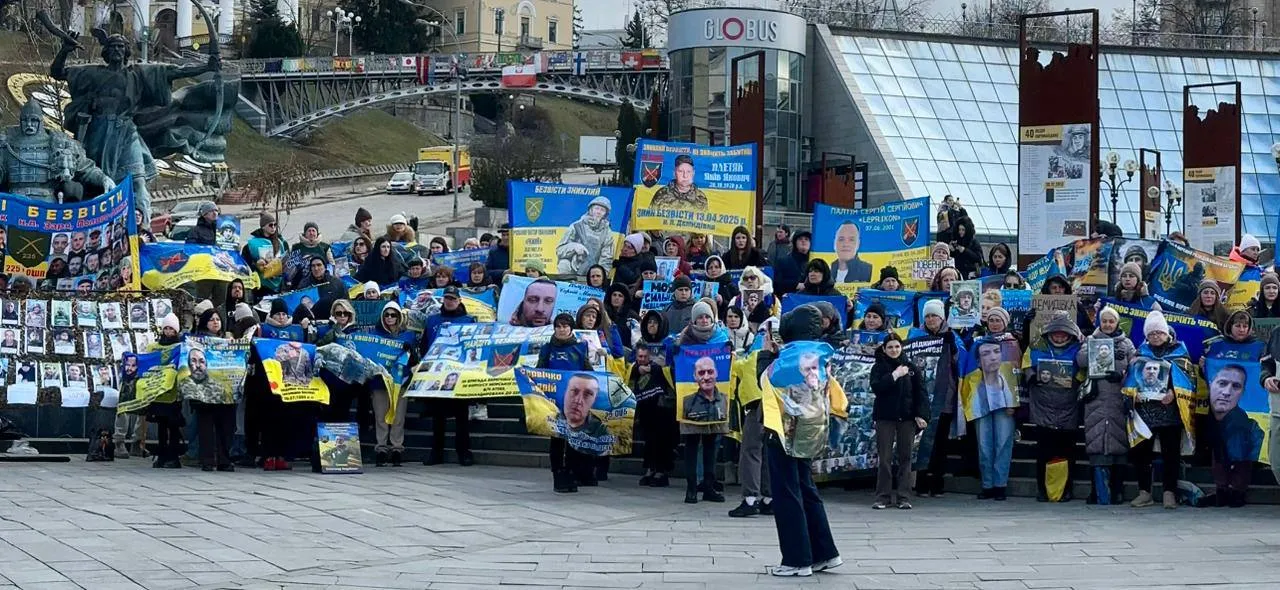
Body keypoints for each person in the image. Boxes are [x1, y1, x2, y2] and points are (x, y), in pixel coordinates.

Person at [760, 305, 843, 577]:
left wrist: (764, 353)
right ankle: (824, 553)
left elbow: (766, 380)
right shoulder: (820, 355)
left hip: (785, 433)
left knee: (787, 493)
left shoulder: (789, 358)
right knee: (807, 490)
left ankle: (796, 559)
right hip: (812, 431)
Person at [666, 301, 730, 504]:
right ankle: (691, 487)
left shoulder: (722, 338)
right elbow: (673, 365)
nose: (704, 320)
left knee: (711, 445)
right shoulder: (683, 339)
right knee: (692, 445)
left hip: (717, 400)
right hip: (691, 401)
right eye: (700, 317)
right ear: (693, 320)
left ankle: (709, 486)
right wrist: (674, 352)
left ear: (712, 319)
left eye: (707, 317)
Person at [1126, 309, 1190, 510]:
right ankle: (1144, 492)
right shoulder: (1139, 354)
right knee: (1141, 453)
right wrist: (1132, 379)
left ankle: (1169, 492)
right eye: (1151, 333)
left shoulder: (1180, 352)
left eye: (1159, 333)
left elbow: (1189, 378)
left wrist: (1174, 392)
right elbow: (1130, 380)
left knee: (1171, 454)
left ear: (1166, 333)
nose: (1156, 336)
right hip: (1144, 413)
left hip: (1170, 412)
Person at [1024, 310, 1084, 502]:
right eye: (1055, 333)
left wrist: (1076, 378)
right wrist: (1032, 376)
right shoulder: (1036, 345)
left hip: (1069, 405)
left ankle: (1067, 488)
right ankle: (1042, 489)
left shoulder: (1079, 348)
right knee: (1043, 450)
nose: (1059, 336)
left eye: (1063, 333)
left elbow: (1086, 369)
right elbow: (1025, 365)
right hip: (1044, 406)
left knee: (1068, 450)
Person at [1207, 310, 1264, 507]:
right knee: (1219, 449)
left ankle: (1238, 489)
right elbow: (1208, 372)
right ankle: (1221, 488)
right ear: (1230, 326)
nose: (1241, 329)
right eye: (1238, 325)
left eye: (1245, 326)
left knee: (1242, 448)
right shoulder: (1217, 346)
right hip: (1216, 410)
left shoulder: (1259, 347)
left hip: (1245, 409)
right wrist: (1203, 364)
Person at [869, 332, 929, 509]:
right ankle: (883, 496)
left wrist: (922, 414)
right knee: (885, 458)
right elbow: (877, 387)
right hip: (885, 417)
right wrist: (894, 376)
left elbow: (921, 392)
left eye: (896, 346)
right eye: (890, 347)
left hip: (906, 418)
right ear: (884, 349)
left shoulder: (911, 368)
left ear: (901, 347)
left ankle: (903, 496)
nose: (894, 350)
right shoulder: (879, 367)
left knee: (905, 457)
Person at [538, 313, 593, 492]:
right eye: (558, 326)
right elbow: (539, 371)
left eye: (565, 326)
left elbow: (589, 371)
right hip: (554, 402)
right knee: (557, 440)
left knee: (574, 439)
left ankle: (571, 473)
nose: (562, 329)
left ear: (571, 328)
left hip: (575, 402)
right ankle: (558, 475)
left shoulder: (580, 347)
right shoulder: (547, 348)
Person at [968, 328, 1019, 501]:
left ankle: (1000, 485)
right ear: (978, 359)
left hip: (1005, 407)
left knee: (1003, 444)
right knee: (984, 445)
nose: (993, 357)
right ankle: (987, 485)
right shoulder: (974, 387)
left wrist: (1014, 403)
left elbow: (1018, 375)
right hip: (981, 407)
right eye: (986, 353)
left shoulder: (1011, 345)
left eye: (997, 352)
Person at [370, 300, 417, 467]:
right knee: (380, 417)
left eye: (393, 315)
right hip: (380, 382)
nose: (390, 318)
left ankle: (397, 448)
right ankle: (381, 448)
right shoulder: (375, 336)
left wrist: (409, 350)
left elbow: (414, 359)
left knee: (398, 417)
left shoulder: (408, 336)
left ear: (399, 317)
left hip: (400, 381)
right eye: (387, 315)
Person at [631, 340, 676, 488]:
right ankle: (650, 469)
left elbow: (668, 375)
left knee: (662, 440)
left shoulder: (659, 367)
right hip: (645, 408)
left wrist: (652, 369)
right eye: (640, 356)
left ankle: (661, 471)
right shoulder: (634, 368)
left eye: (645, 356)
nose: (642, 359)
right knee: (648, 440)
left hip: (662, 408)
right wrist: (638, 370)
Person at [148, 315, 185, 468]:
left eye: (171, 329)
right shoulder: (154, 346)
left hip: (173, 391)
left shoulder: (181, 347)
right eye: (166, 328)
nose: (168, 331)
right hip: (159, 391)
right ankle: (162, 454)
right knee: (161, 425)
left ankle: (173, 456)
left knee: (173, 425)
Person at [554, 195, 615, 277]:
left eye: (602, 210)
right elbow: (559, 250)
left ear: (605, 214)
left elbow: (606, 259)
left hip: (593, 272)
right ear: (591, 210)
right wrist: (574, 247)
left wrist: (600, 277)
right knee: (563, 264)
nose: (598, 212)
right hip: (574, 268)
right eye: (596, 208)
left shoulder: (607, 233)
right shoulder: (576, 226)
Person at [242, 212, 289, 296]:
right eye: (270, 225)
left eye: (275, 225)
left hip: (278, 282)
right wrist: (256, 264)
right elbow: (245, 263)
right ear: (263, 227)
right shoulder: (252, 244)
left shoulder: (280, 241)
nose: (273, 227)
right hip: (261, 283)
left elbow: (286, 259)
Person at [773, 230, 811, 296]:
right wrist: (796, 285)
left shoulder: (815, 262)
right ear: (795, 243)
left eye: (806, 239)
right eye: (800, 239)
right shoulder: (783, 261)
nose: (803, 241)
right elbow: (777, 284)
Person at [948, 215, 983, 279]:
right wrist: (951, 251)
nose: (960, 232)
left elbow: (978, 258)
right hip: (957, 274)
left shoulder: (974, 242)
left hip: (970, 275)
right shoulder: (955, 241)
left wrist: (965, 251)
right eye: (959, 229)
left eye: (963, 230)